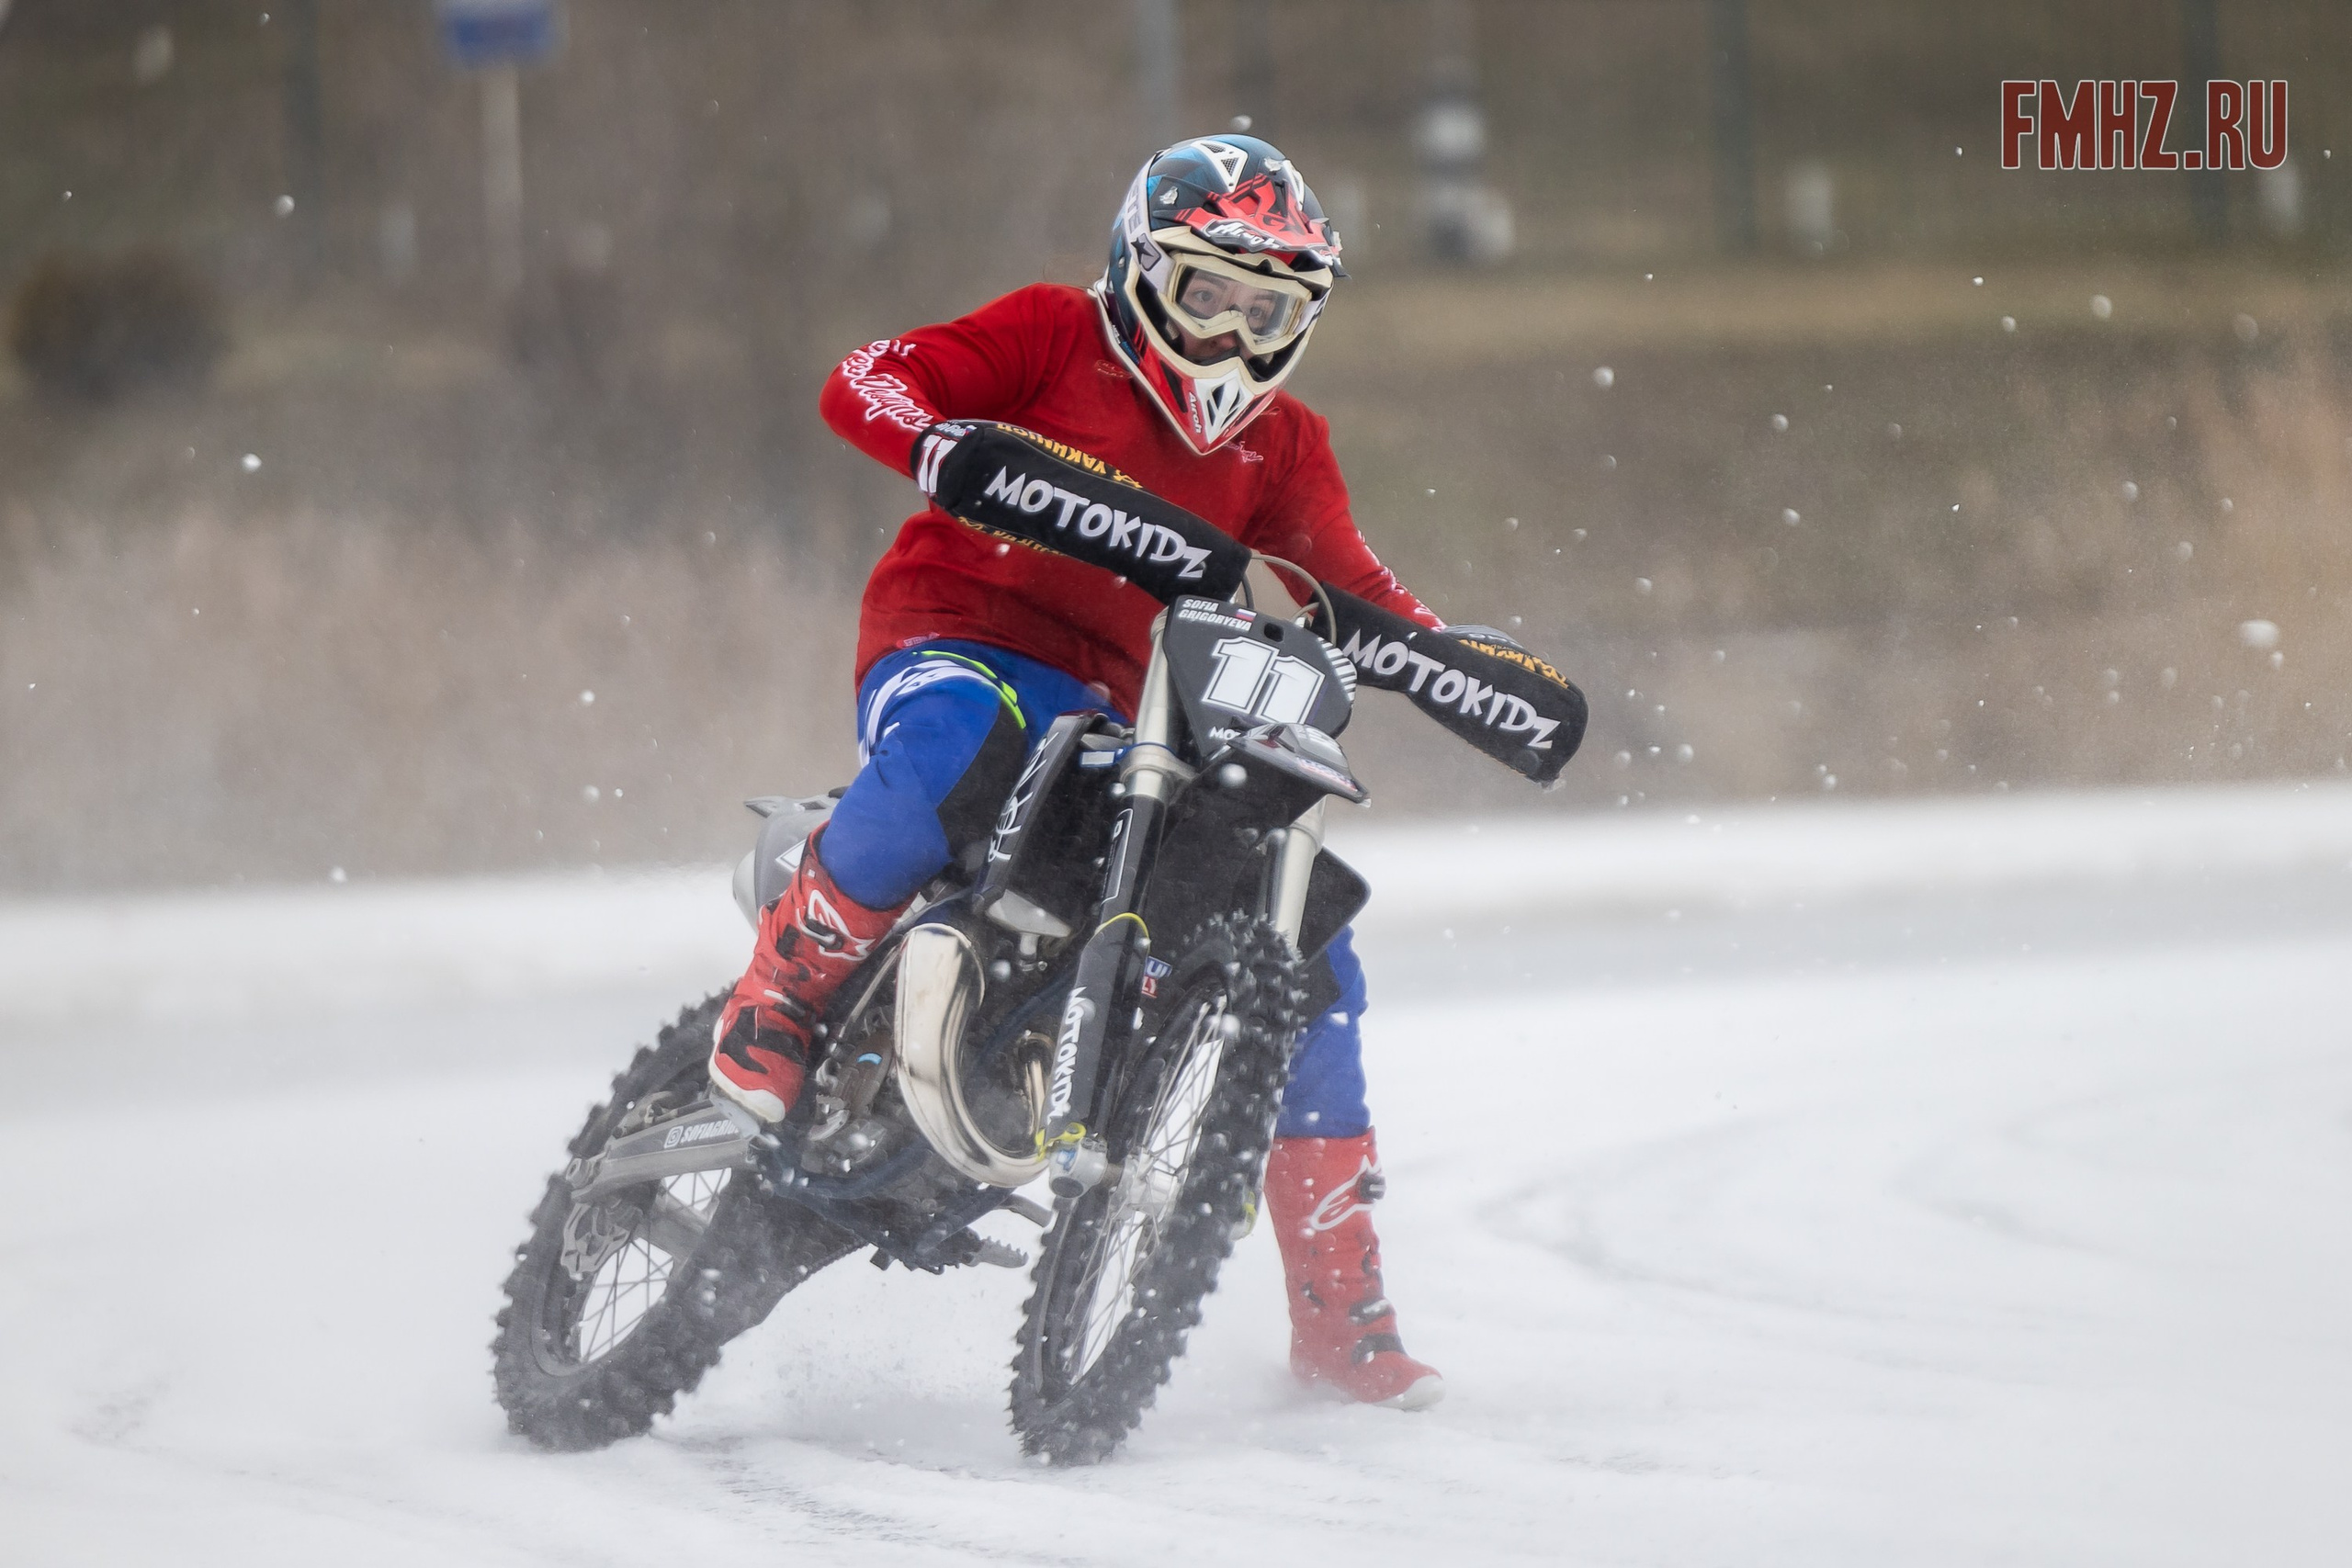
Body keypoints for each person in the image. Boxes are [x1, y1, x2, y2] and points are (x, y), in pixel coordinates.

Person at [710, 135, 1446, 1410]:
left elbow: (1361, 593)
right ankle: (783, 983)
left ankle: (1341, 1307)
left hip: (1126, 714)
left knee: (1308, 946)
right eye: (1206, 295)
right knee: (954, 745)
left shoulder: (1283, 445)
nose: (1229, 339)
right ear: (1141, 271)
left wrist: (1457, 662)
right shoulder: (1054, 337)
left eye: (1265, 313)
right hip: (952, 640)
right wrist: (947, 448)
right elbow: (870, 379)